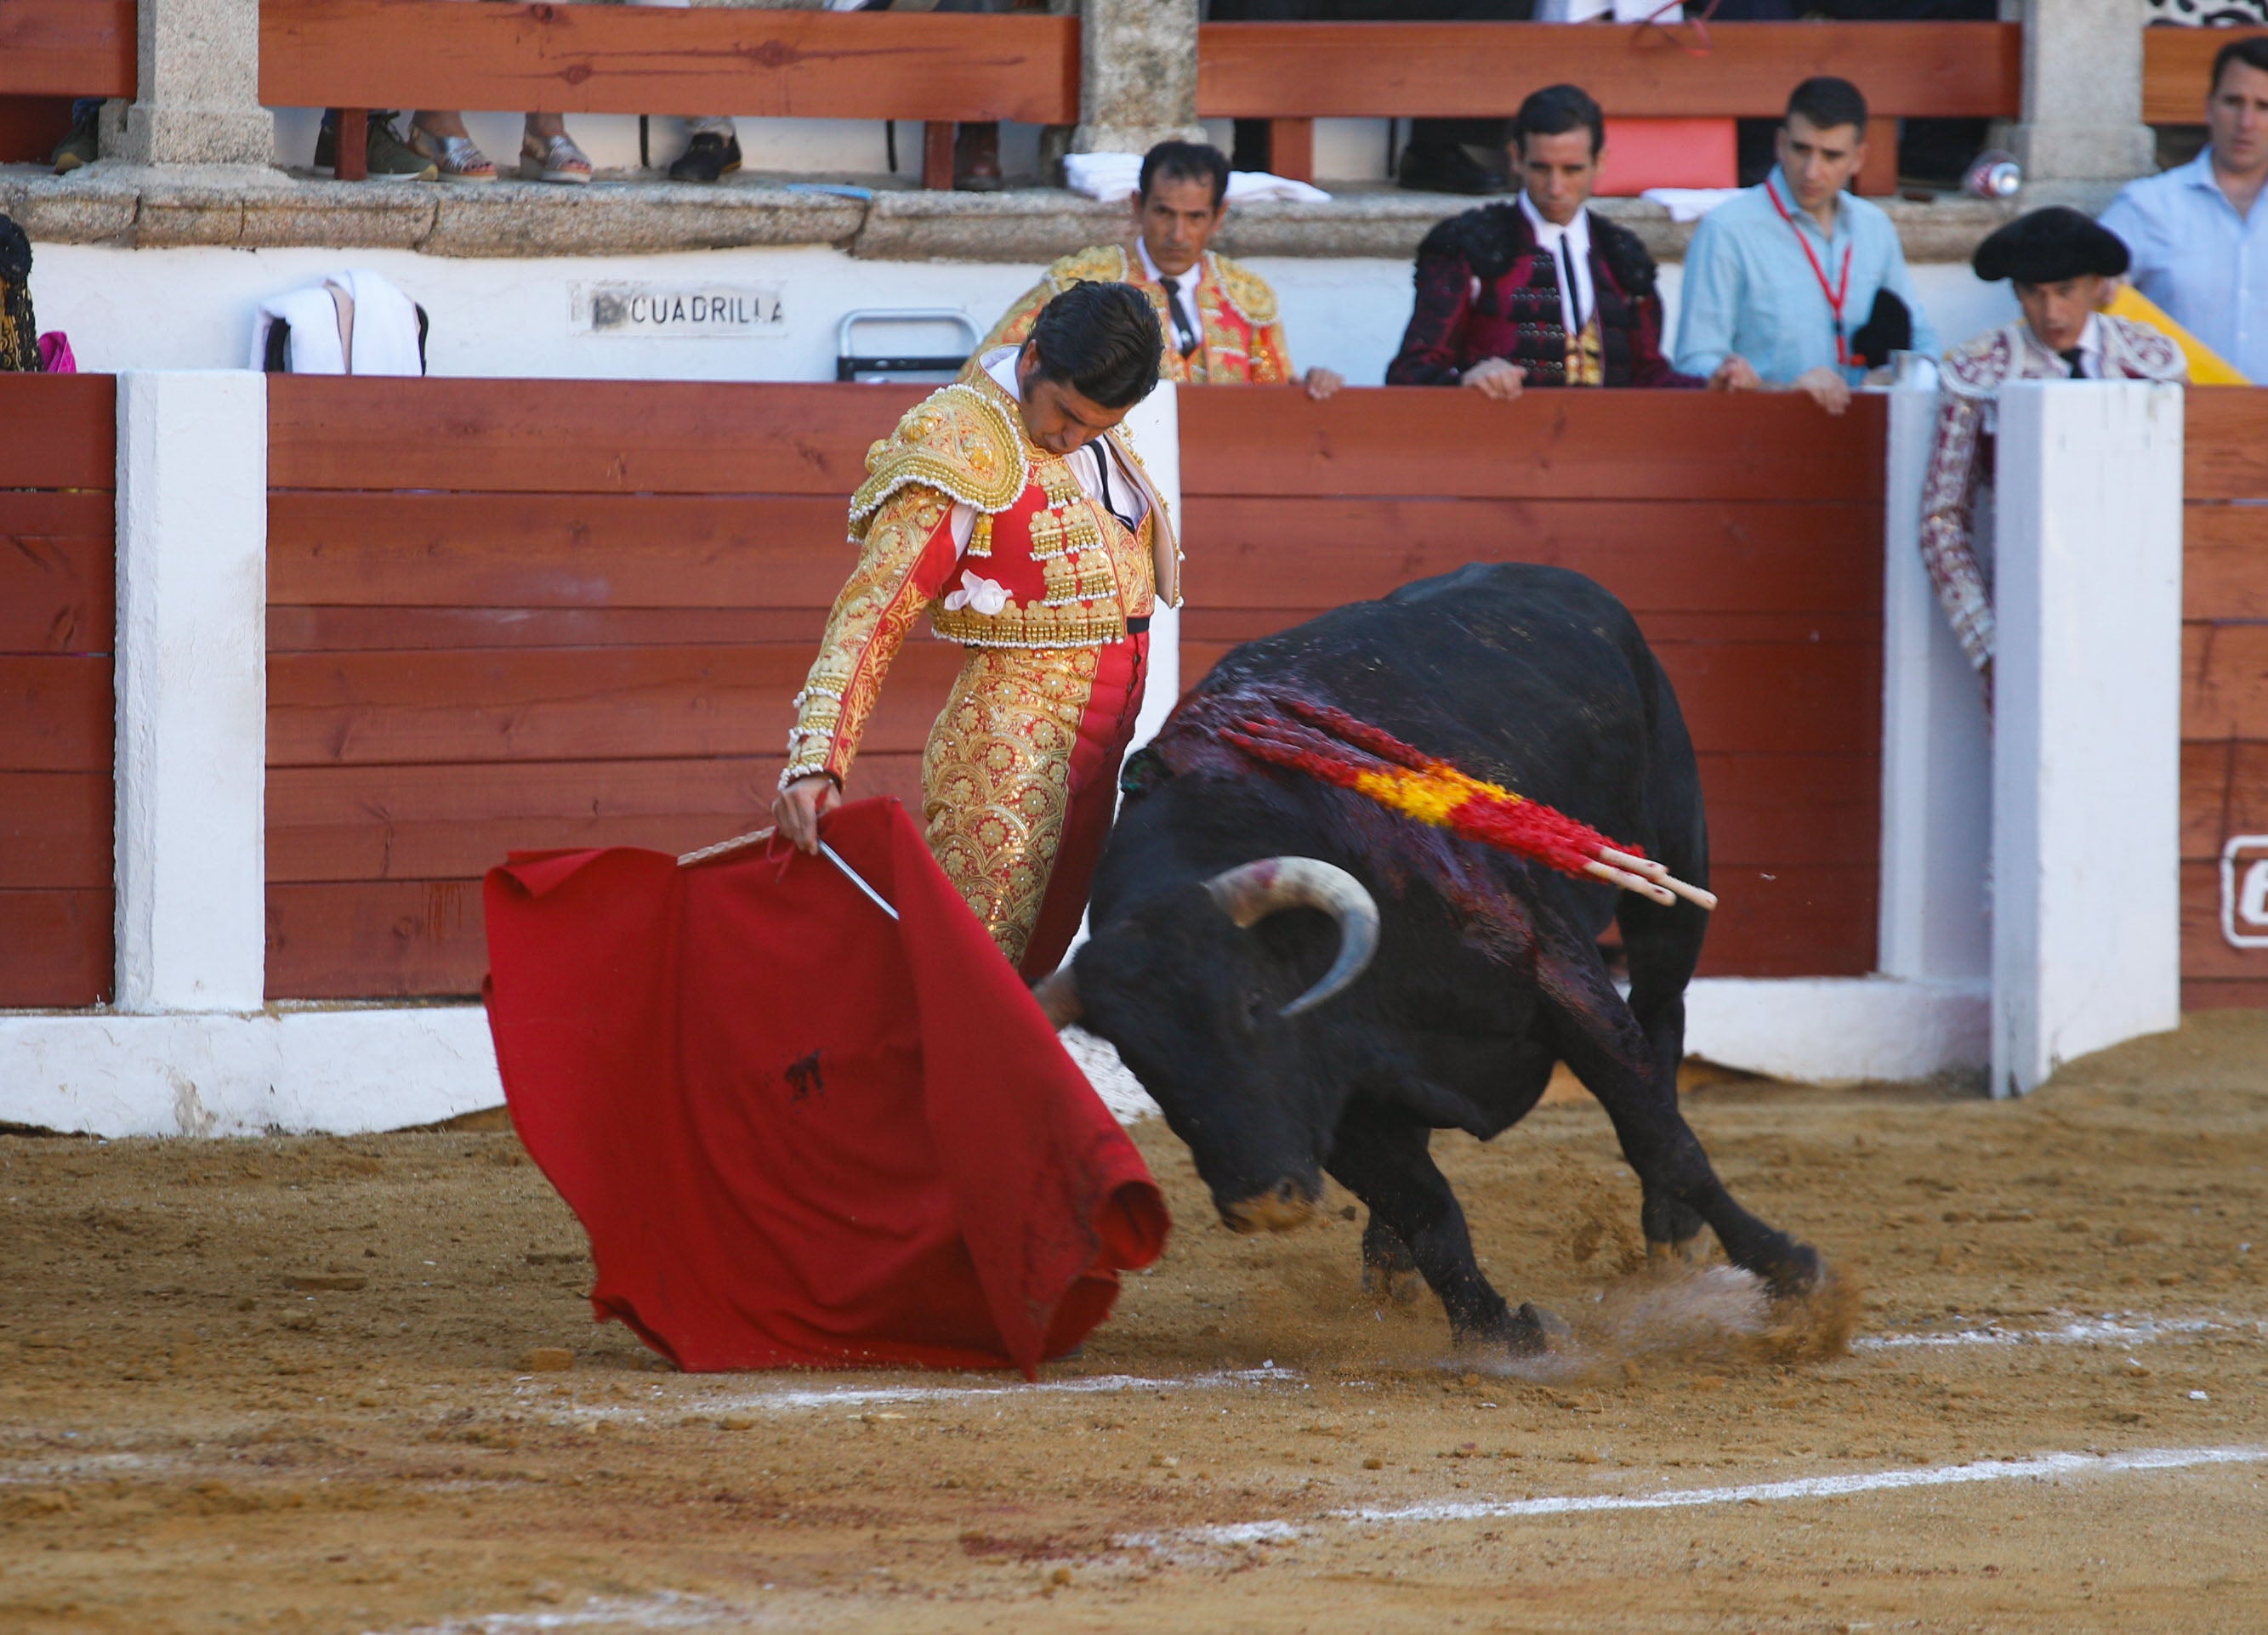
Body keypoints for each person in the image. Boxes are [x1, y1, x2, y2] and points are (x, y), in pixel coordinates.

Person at [773, 281, 1178, 978]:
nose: (1072, 437)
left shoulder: (1096, 432)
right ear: (1031, 360)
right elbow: (873, 611)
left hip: (1100, 752)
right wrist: (818, 759)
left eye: (1097, 425)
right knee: (974, 981)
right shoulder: (960, 438)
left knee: (1028, 978)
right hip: (1007, 755)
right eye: (1067, 414)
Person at [1916, 208, 2186, 697]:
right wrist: (1989, 648)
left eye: (2066, 291)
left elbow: (2190, 499)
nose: (2053, 313)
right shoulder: (1980, 370)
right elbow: (1942, 520)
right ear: (2018, 293)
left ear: (2098, 286)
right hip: (2027, 612)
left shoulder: (2151, 362)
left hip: (2138, 610)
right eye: (2035, 294)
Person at [1384, 84, 1708, 395]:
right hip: (1500, 442)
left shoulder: (1622, 253)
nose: (1555, 188)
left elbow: (1648, 375)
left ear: (1601, 162)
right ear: (1516, 157)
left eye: (1572, 170)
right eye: (1541, 168)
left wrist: (1712, 388)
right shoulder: (1467, 245)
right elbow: (1412, 373)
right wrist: (1465, 380)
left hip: (1606, 445)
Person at [975, 141, 1344, 397]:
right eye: (1164, 213)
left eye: (1195, 217)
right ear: (1138, 206)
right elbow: (991, 370)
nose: (1178, 234)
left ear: (1218, 217)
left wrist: (1309, 388)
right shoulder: (1082, 281)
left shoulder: (1247, 296)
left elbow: (1273, 401)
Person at [1674, 77, 1936, 414]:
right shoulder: (1726, 230)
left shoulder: (1875, 227)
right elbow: (1696, 363)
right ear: (1780, 144)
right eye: (1801, 150)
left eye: (1831, 156)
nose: (1812, 171)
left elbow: (1920, 340)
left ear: (1859, 158)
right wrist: (1780, 391)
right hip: (1761, 437)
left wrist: (1897, 377)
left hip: (1866, 432)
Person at [2098, 34, 2268, 384]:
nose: (2246, 122)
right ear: (2208, 107)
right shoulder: (2147, 206)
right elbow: (2086, 301)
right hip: (2173, 423)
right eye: (2234, 102)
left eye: (2264, 106)